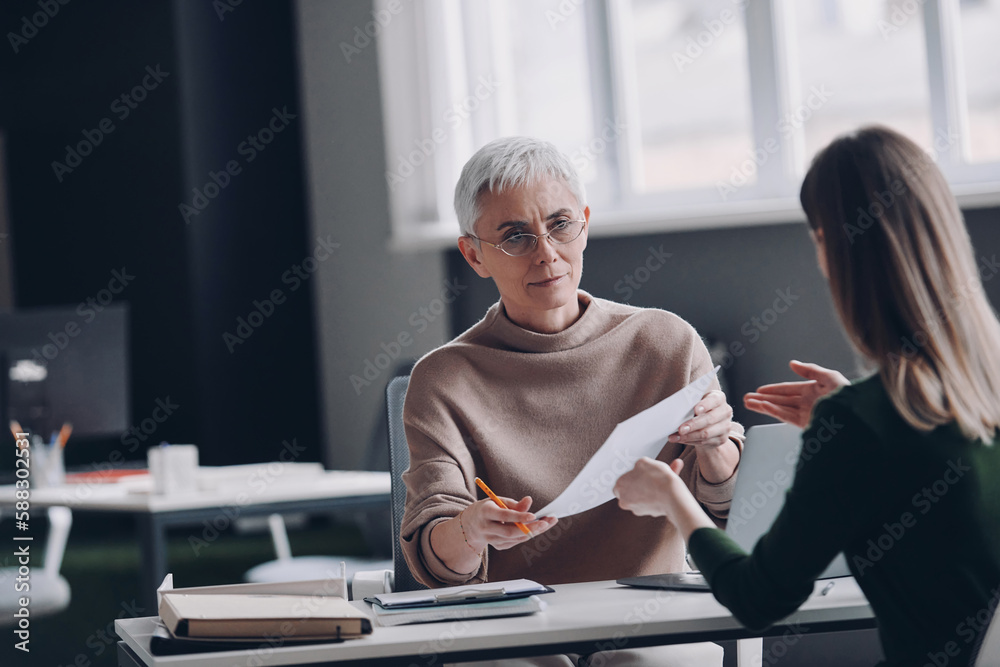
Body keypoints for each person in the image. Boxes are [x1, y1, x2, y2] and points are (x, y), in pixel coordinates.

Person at [613, 125, 1000, 667]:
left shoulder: (859, 424)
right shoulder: (973, 394)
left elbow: (759, 597)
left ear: (839, 250)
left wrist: (673, 501)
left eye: (818, 239)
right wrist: (853, 411)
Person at [400, 136, 744, 666]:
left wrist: (718, 446)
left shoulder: (666, 342)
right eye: (514, 236)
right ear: (474, 254)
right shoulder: (444, 377)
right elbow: (436, 564)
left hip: (650, 617)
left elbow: (731, 521)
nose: (546, 253)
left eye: (560, 224)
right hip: (517, 629)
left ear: (584, 221)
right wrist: (469, 529)